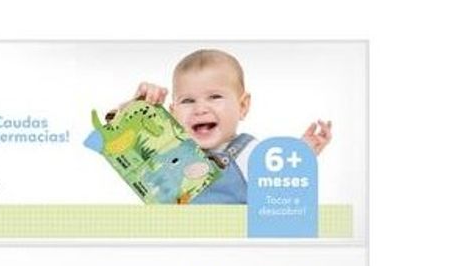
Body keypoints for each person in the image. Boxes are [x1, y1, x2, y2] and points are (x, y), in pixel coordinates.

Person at [119, 49, 331, 204]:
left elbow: (277, 193)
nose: (200, 109)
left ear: (242, 106)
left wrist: (300, 154)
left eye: (214, 97)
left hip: (235, 246)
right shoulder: (167, 149)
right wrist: (137, 105)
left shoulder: (250, 153)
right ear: (172, 114)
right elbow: (119, 140)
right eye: (187, 101)